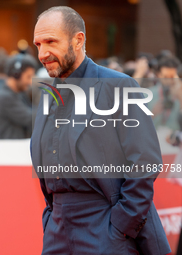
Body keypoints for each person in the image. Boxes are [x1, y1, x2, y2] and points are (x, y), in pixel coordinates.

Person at [31, 6, 170, 255]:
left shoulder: (119, 85)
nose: (43, 53)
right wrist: (51, 218)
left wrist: (120, 226)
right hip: (57, 230)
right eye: (38, 44)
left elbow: (145, 161)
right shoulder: (47, 94)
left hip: (105, 225)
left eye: (51, 41)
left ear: (78, 40)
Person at [0, 53, 37, 139]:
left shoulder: (19, 95)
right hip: (7, 150)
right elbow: (30, 118)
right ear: (16, 74)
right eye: (28, 77)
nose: (30, 82)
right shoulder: (5, 97)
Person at [147, 56, 181, 130]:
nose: (169, 80)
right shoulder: (147, 94)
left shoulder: (180, 93)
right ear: (158, 74)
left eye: (172, 76)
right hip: (154, 138)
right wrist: (152, 114)